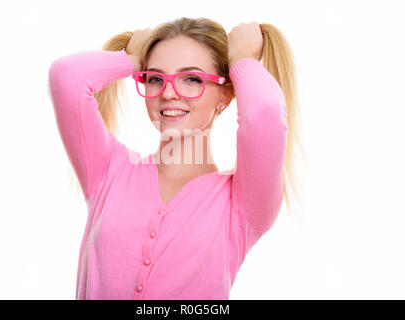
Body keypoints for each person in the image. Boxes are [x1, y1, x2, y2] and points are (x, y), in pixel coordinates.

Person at [48, 17, 304, 300]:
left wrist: (243, 61)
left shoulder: (242, 205)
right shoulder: (109, 170)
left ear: (226, 95)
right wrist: (132, 59)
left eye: (192, 79)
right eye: (155, 78)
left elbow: (264, 114)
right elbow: (66, 78)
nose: (168, 93)